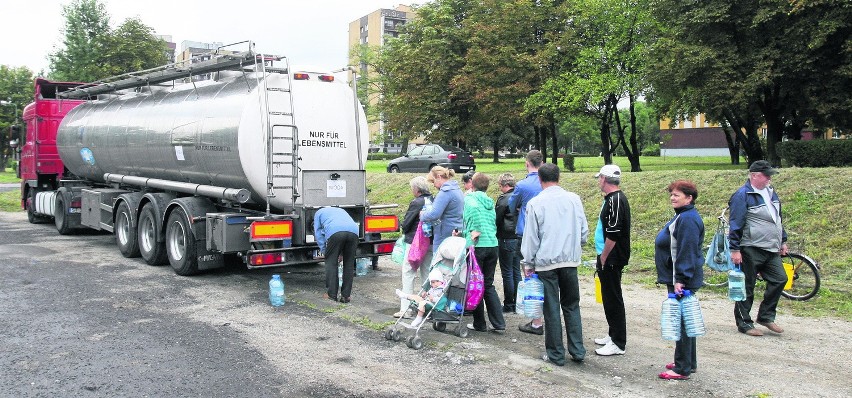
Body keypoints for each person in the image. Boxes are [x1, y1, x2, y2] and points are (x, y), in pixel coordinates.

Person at [520, 163, 589, 365]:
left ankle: (556, 354)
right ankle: (577, 350)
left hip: (546, 263)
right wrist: (576, 246)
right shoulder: (574, 199)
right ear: (559, 177)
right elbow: (583, 230)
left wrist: (528, 261)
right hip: (570, 261)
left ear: (540, 180)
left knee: (551, 308)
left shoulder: (536, 203)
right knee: (572, 305)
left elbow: (531, 237)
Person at [728, 160, 788, 337]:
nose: (769, 178)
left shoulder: (771, 192)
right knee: (747, 286)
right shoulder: (742, 195)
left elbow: (777, 219)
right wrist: (735, 249)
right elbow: (735, 224)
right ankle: (744, 323)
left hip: (771, 248)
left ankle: (766, 316)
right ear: (754, 175)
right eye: (766, 175)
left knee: (780, 279)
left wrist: (782, 241)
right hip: (750, 247)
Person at [654, 180, 705, 380]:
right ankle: (688, 362)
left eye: (677, 195)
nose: (672, 198)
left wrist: (681, 279)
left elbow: (687, 250)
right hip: (678, 276)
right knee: (686, 319)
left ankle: (682, 368)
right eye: (672, 194)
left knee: (681, 321)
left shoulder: (688, 219)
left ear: (689, 197)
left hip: (681, 279)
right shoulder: (683, 216)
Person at [592, 165, 631, 357]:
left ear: (604, 179)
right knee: (608, 296)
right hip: (608, 255)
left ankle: (618, 342)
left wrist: (604, 257)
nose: (598, 181)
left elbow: (614, 233)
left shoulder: (615, 200)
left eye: (599, 178)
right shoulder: (612, 199)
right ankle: (612, 333)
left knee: (613, 297)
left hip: (612, 257)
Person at [461, 172, 505, 333]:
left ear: (472, 184)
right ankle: (498, 322)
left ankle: (479, 323)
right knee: (488, 284)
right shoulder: (489, 201)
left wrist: (475, 230)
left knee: (475, 284)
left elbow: (473, 214)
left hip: (477, 246)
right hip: (493, 245)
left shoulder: (470, 199)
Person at [509, 149, 545, 335]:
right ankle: (546, 314)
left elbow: (511, 205)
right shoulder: (546, 182)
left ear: (527, 162)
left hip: (526, 234)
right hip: (547, 235)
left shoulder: (523, 185)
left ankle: (536, 320)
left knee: (530, 276)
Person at [394, 176, 434, 318]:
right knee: (427, 274)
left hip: (415, 243)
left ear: (416, 189)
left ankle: (406, 309)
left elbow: (407, 224)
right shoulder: (434, 200)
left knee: (409, 273)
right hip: (430, 242)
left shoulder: (416, 202)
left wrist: (403, 229)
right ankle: (427, 307)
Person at [313, 206, 360, 303]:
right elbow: (345, 230)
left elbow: (318, 233)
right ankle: (346, 296)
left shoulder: (318, 213)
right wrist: (341, 253)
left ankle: (332, 295)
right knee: (349, 264)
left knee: (331, 263)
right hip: (354, 232)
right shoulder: (341, 210)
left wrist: (325, 251)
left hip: (335, 232)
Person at [420, 166, 464, 251]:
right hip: (457, 230)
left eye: (433, 181)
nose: (433, 185)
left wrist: (422, 215)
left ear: (439, 177)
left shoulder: (445, 192)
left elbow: (434, 214)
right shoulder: (458, 190)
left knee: (439, 261)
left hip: (444, 234)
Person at [495, 173, 520, 313]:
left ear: (504, 185)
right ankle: (518, 302)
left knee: (507, 272)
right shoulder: (519, 197)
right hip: (518, 237)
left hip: (506, 237)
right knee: (516, 271)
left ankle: (509, 304)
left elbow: (497, 219)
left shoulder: (503, 199)